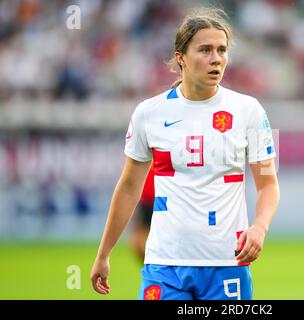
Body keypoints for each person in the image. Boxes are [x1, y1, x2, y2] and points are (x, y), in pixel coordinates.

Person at [90, 7, 280, 300]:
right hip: (164, 264)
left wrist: (259, 228)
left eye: (222, 50)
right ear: (181, 57)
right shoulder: (148, 113)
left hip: (227, 263)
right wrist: (104, 254)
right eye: (205, 50)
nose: (216, 59)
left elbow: (268, 184)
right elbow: (128, 187)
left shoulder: (250, 110)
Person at [128, 166, 154, 262]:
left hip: (161, 202)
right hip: (144, 202)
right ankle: (149, 265)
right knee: (136, 242)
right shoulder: (143, 155)